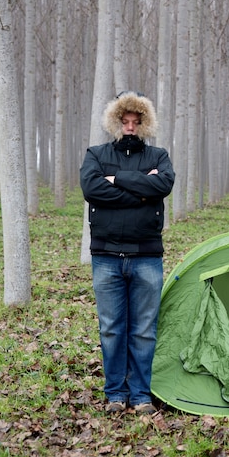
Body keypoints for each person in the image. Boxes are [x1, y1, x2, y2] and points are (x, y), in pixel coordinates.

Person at [80, 91, 175, 415]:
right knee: (111, 328)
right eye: (125, 121)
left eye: (137, 121)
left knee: (144, 330)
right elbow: (92, 189)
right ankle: (116, 394)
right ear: (115, 122)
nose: (131, 127)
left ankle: (141, 394)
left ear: (145, 123)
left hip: (147, 256)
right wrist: (140, 191)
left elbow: (162, 186)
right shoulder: (96, 153)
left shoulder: (159, 156)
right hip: (106, 256)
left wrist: (117, 179)